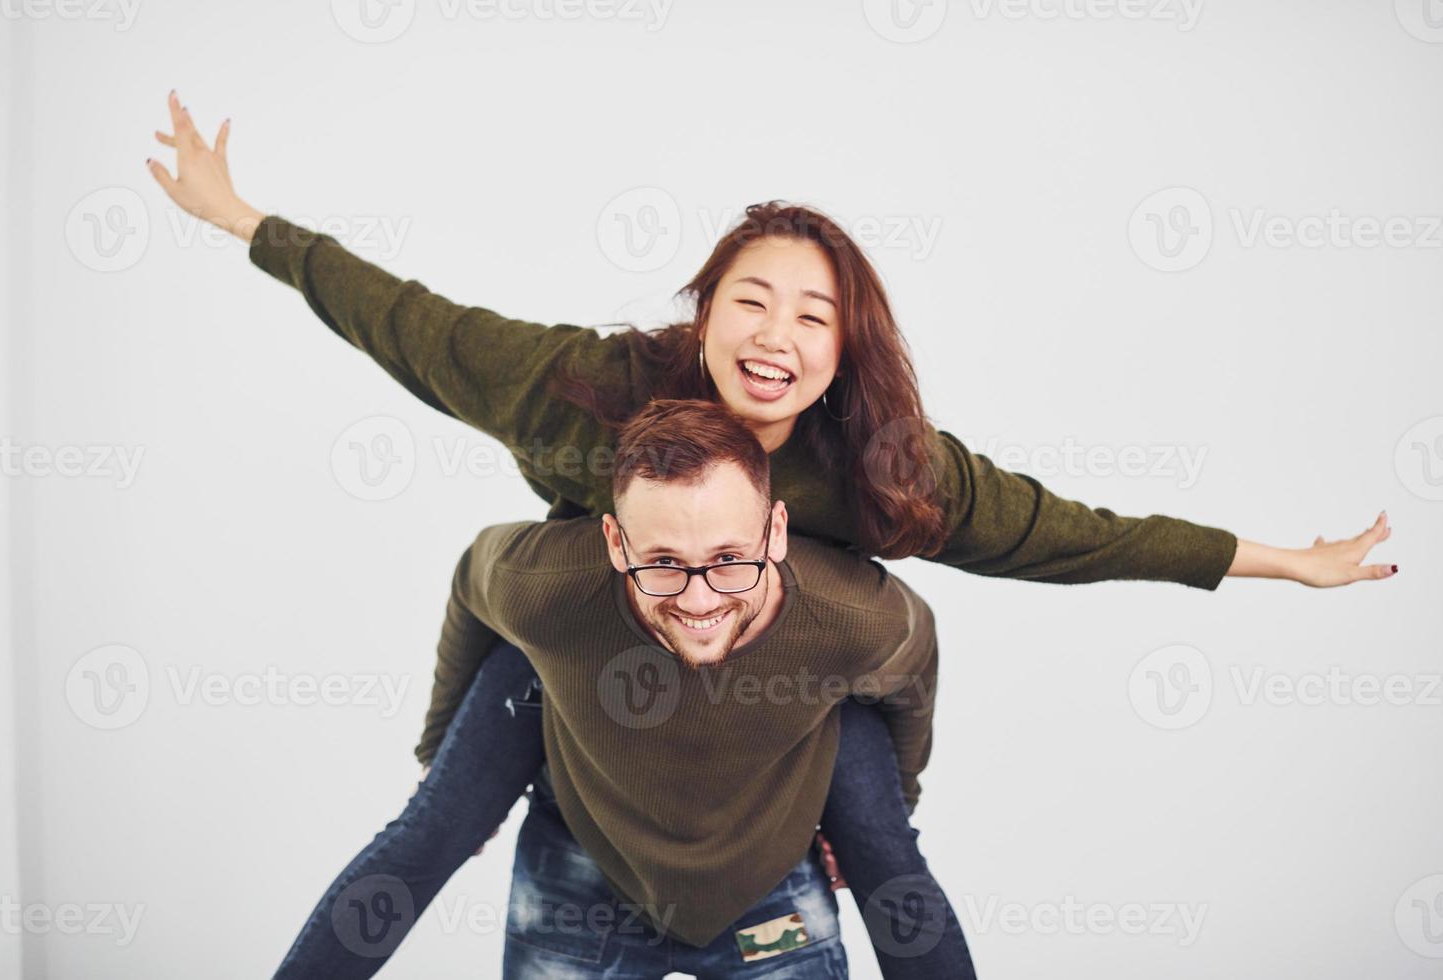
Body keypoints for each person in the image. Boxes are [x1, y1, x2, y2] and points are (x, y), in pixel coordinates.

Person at [144, 88, 1398, 978]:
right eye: (751, 298)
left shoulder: (884, 466)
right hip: (589, 651)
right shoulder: (585, 389)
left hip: (791, 678)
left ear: (844, 348)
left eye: (813, 314)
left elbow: (1066, 532)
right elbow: (414, 324)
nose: (777, 333)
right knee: (425, 829)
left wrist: (1276, 558)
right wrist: (247, 220)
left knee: (877, 819)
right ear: (705, 313)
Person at [449, 398, 946, 976]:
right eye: (663, 562)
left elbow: (915, 663)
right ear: (615, 543)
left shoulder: (856, 614)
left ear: (776, 532)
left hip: (766, 879)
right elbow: (468, 590)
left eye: (730, 558)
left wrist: (892, 808)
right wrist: (440, 755)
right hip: (585, 869)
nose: (698, 599)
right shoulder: (540, 585)